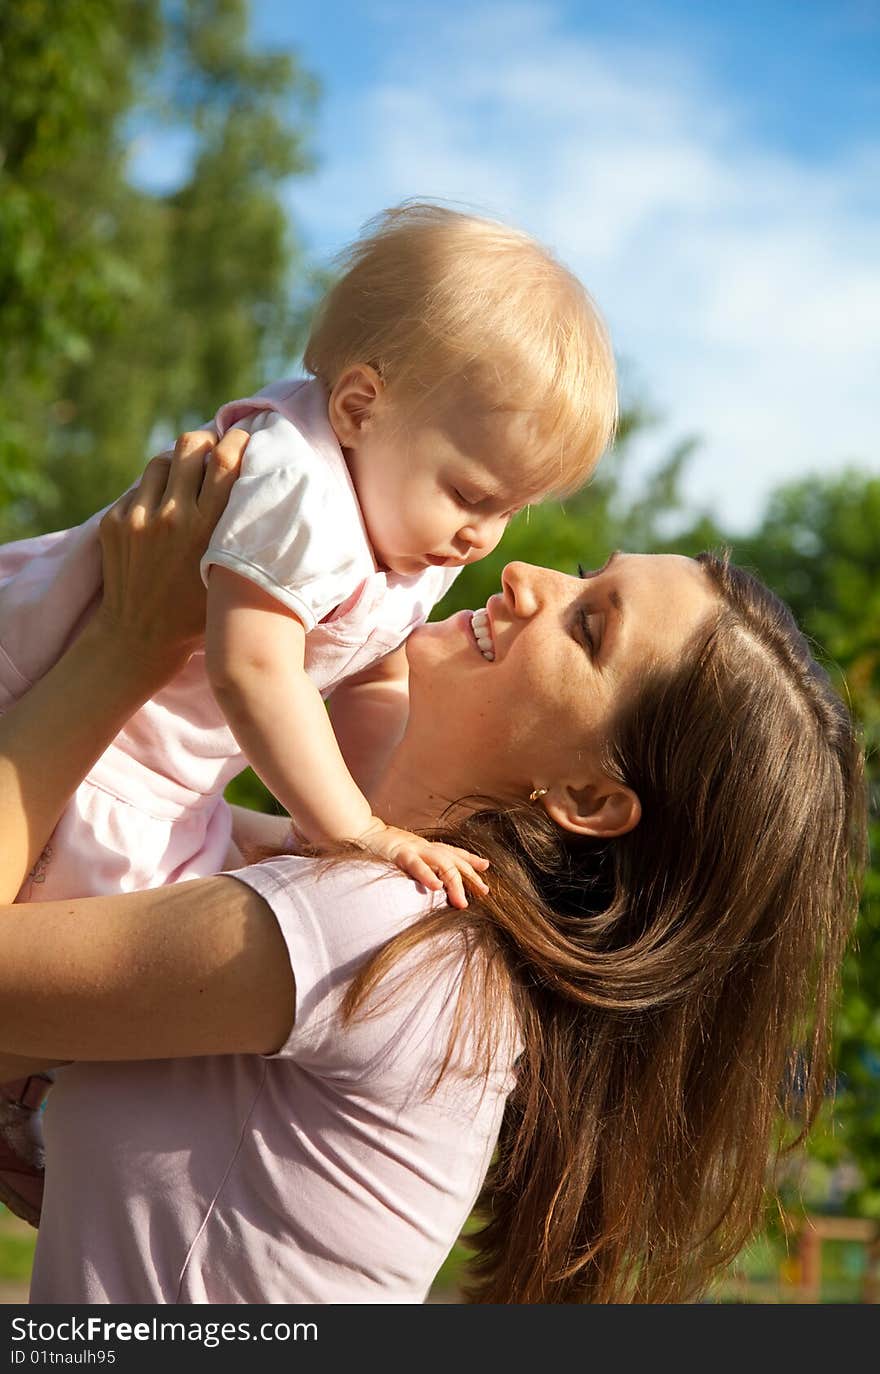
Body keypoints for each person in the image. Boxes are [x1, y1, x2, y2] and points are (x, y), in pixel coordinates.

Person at [0, 432, 866, 1303]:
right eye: (585, 577)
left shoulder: (385, 937)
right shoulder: (377, 914)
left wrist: (127, 642)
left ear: (588, 799)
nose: (531, 580)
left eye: (589, 627)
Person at [0, 201, 618, 1188]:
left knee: (133, 949)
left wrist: (363, 815)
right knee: (81, 952)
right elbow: (255, 664)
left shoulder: (401, 517)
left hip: (142, 752)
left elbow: (370, 672)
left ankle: (35, 1102)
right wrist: (346, 831)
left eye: (510, 510)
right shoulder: (303, 488)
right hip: (54, 697)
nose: (483, 541)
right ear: (360, 408)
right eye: (471, 495)